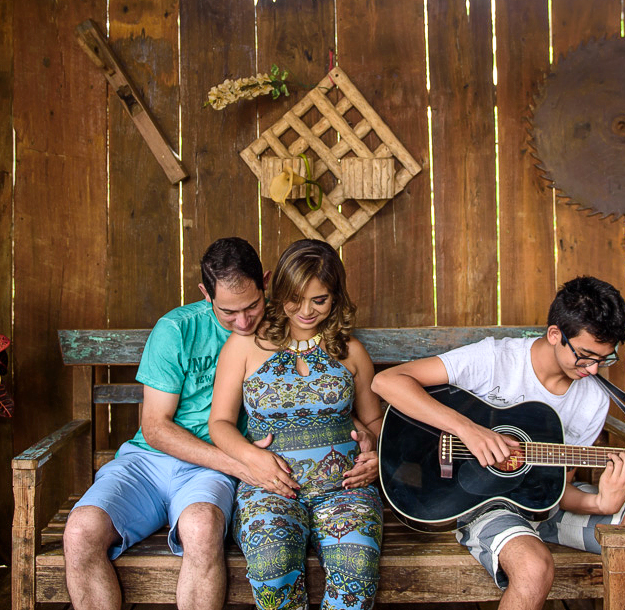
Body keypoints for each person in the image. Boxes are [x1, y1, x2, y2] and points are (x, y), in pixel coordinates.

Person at [372, 276, 625, 610]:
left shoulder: (594, 399)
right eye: (585, 355)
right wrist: (468, 429)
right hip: (479, 501)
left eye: (605, 358)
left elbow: (559, 490)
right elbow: (387, 381)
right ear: (555, 334)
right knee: (534, 568)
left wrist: (599, 505)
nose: (594, 369)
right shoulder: (495, 359)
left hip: (543, 502)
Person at [62, 237, 273, 610]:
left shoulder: (281, 332)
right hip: (147, 462)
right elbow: (156, 427)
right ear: (205, 294)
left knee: (202, 527)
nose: (242, 321)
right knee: (80, 531)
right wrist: (240, 465)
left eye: (252, 306)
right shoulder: (176, 329)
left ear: (266, 283)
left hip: (209, 473)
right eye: (227, 311)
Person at [209, 239, 385, 610]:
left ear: (335, 297)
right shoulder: (245, 346)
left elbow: (373, 419)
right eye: (295, 299)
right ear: (279, 292)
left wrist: (376, 456)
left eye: (319, 300)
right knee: (273, 565)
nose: (306, 311)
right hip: (271, 487)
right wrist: (249, 458)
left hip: (345, 487)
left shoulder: (351, 350)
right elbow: (220, 423)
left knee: (357, 567)